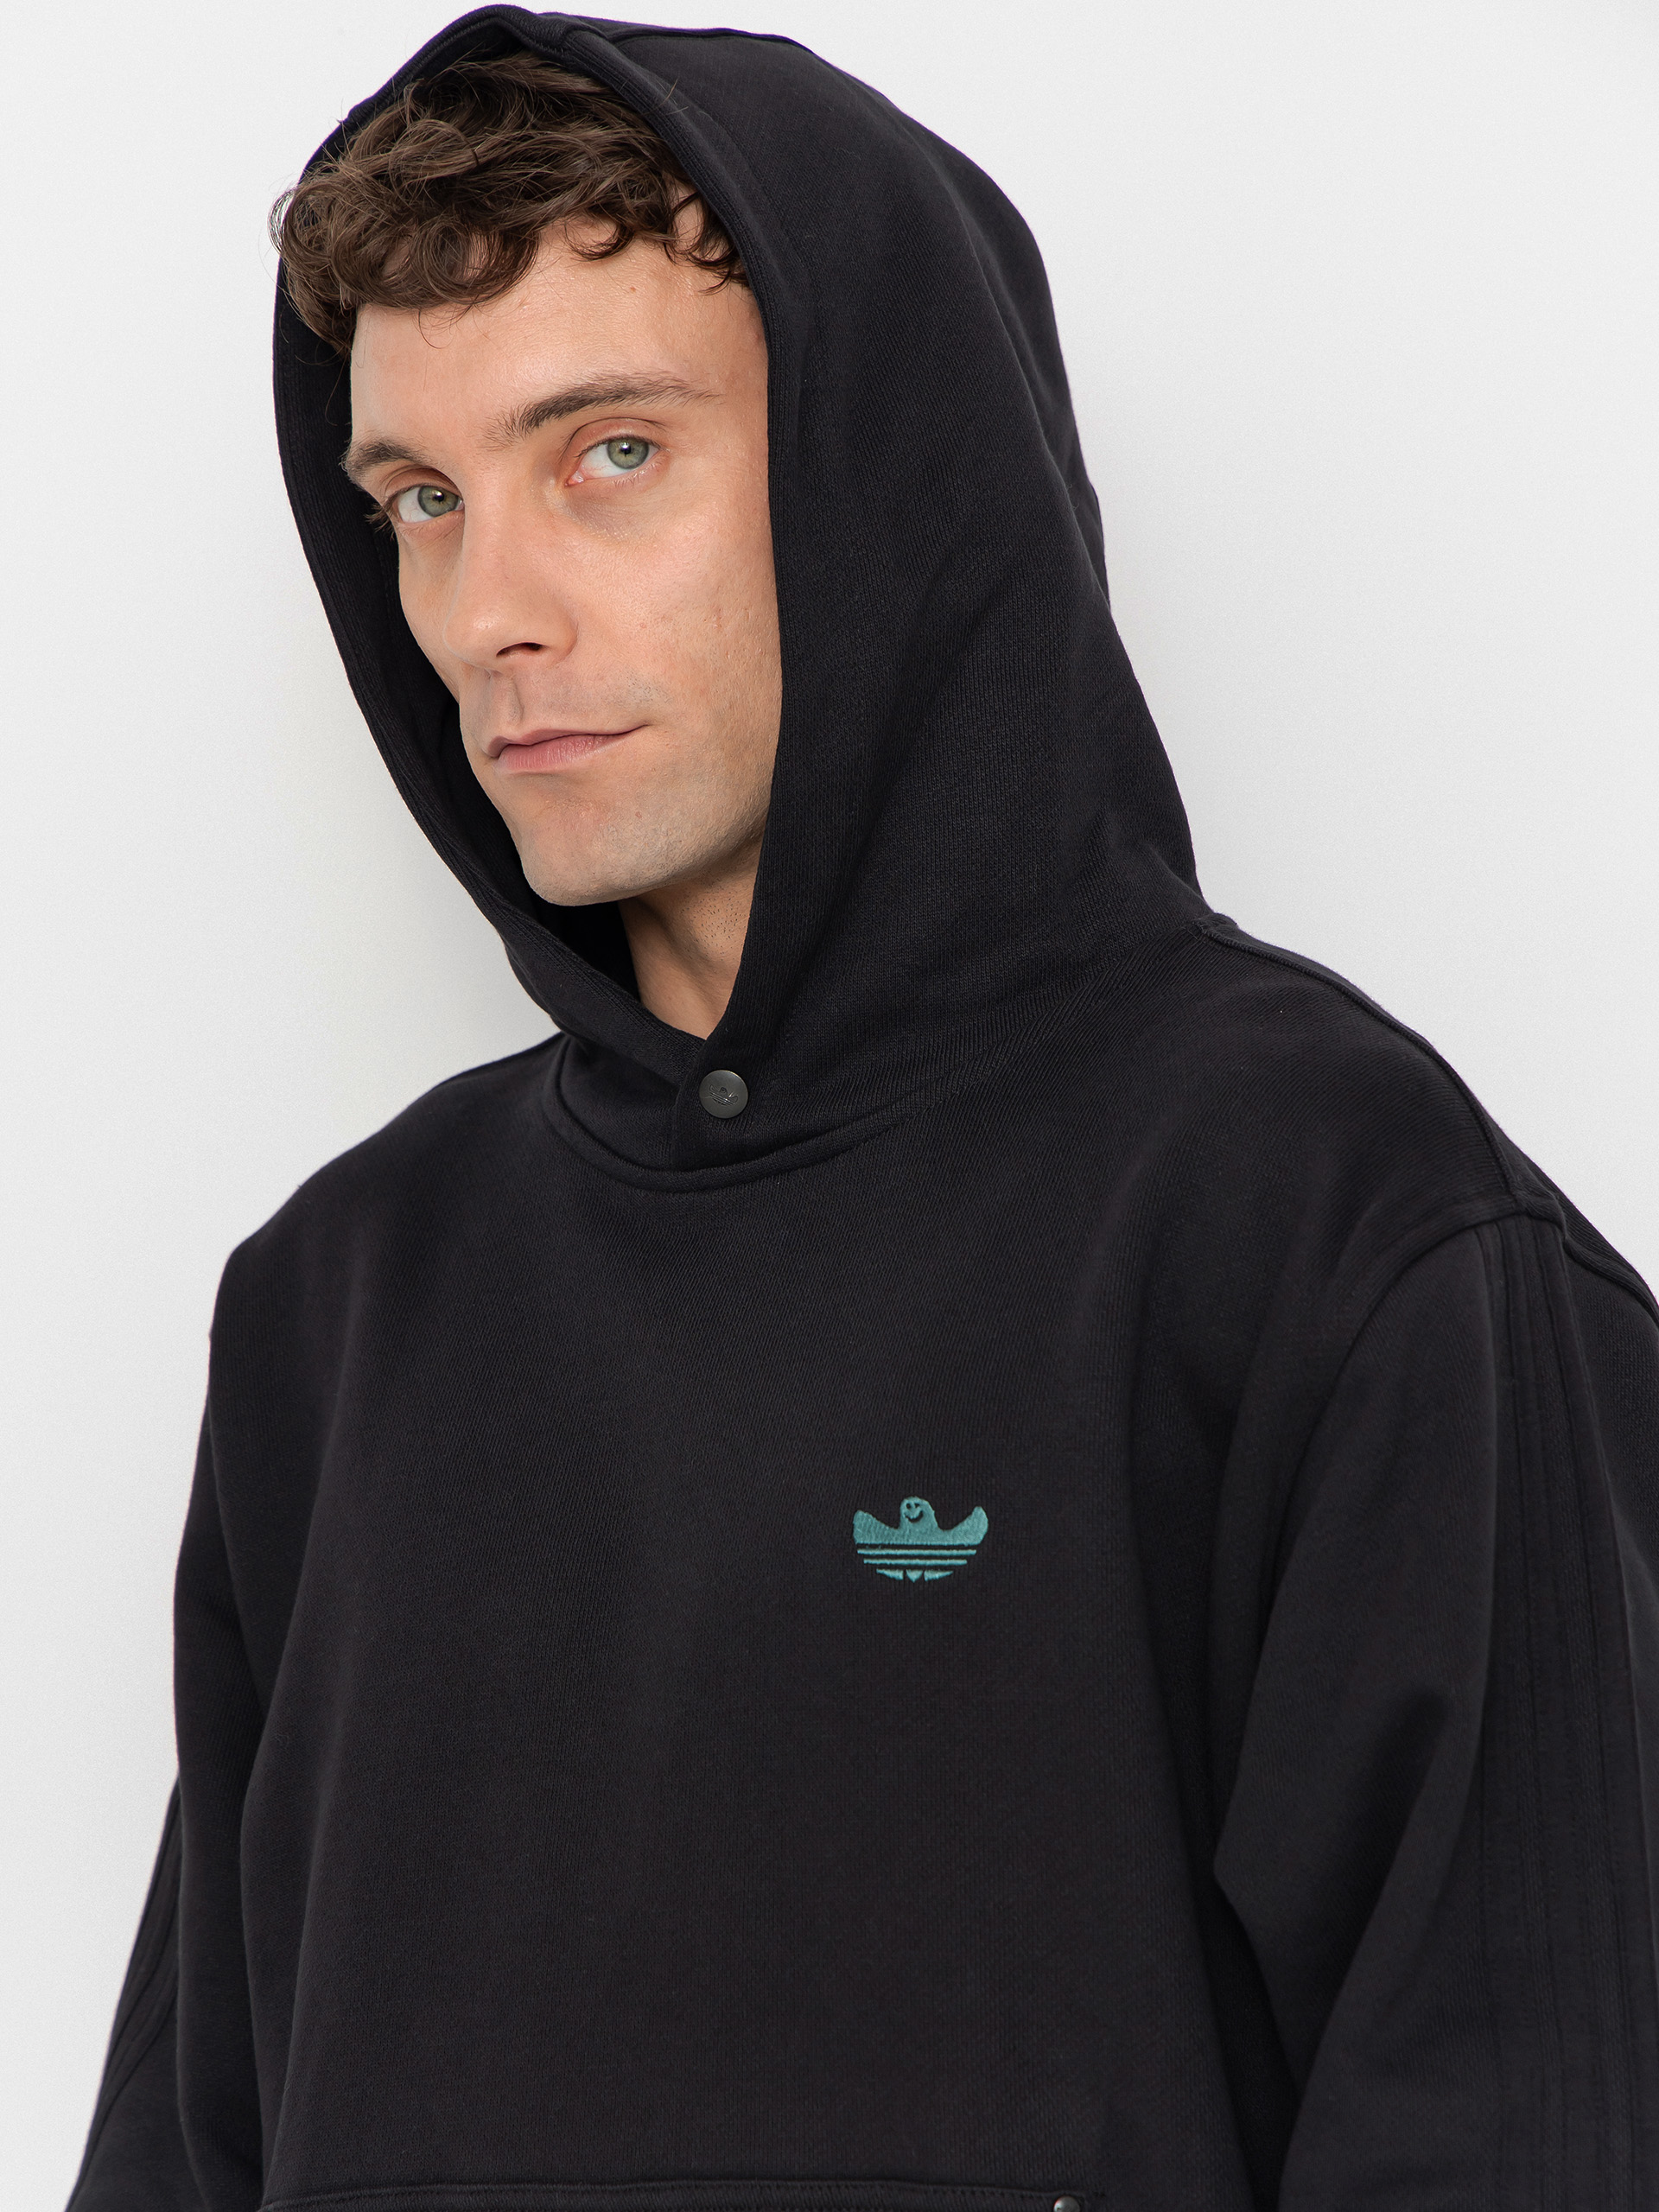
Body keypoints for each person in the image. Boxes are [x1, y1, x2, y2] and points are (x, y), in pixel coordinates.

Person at [69, 12, 1659, 2212]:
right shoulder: (338, 1310)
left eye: (608, 451)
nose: (486, 609)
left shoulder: (1347, 1237)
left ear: (885, 473)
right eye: (421, 499)